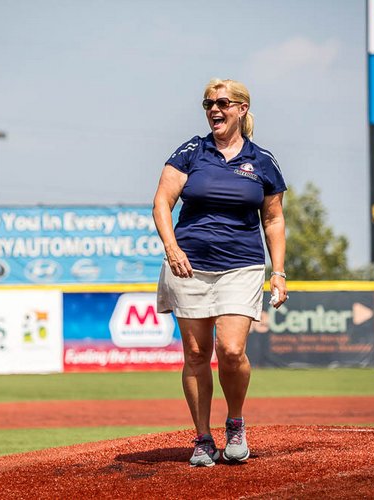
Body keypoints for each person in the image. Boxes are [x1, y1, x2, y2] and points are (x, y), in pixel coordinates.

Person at [152, 78, 288, 467]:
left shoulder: (262, 161)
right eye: (208, 103)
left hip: (242, 264)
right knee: (196, 353)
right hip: (188, 264)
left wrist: (278, 272)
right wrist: (171, 247)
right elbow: (162, 201)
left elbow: (274, 219)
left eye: (223, 103)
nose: (215, 109)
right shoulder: (191, 151)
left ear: (242, 109)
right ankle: (202, 438)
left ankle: (236, 423)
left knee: (231, 350)